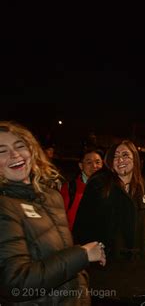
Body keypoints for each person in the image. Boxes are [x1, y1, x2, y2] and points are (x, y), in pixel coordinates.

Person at [0, 121, 106, 305]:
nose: (14, 154)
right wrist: (82, 255)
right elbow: (16, 283)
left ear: (32, 151)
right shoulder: (4, 206)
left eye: (20, 146)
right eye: (2, 151)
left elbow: (60, 257)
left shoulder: (51, 197)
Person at [73, 140, 145, 304]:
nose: (120, 160)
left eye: (125, 155)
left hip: (136, 269)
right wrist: (91, 256)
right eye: (115, 156)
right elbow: (81, 226)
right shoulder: (99, 185)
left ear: (135, 158)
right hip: (105, 269)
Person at [60, 148, 104, 230]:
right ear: (81, 166)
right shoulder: (70, 188)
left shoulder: (108, 188)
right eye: (89, 162)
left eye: (98, 162)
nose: (94, 166)